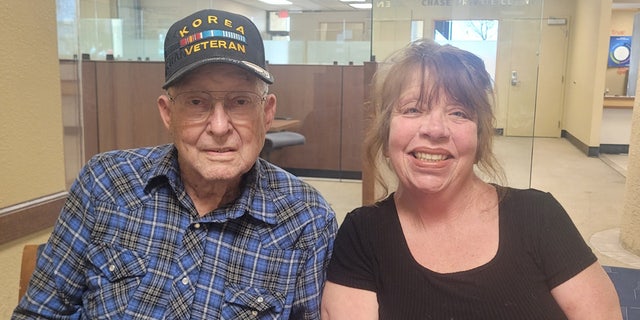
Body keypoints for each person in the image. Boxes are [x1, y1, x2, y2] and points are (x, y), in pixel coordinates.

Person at [14, 9, 337, 319]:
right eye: (197, 102)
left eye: (240, 102)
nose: (220, 126)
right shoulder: (106, 183)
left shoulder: (306, 220)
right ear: (168, 113)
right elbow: (41, 312)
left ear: (266, 112)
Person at [321, 39, 621, 319]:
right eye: (413, 109)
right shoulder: (362, 235)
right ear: (386, 136)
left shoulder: (538, 215)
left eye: (459, 113)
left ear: (479, 140)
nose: (435, 129)